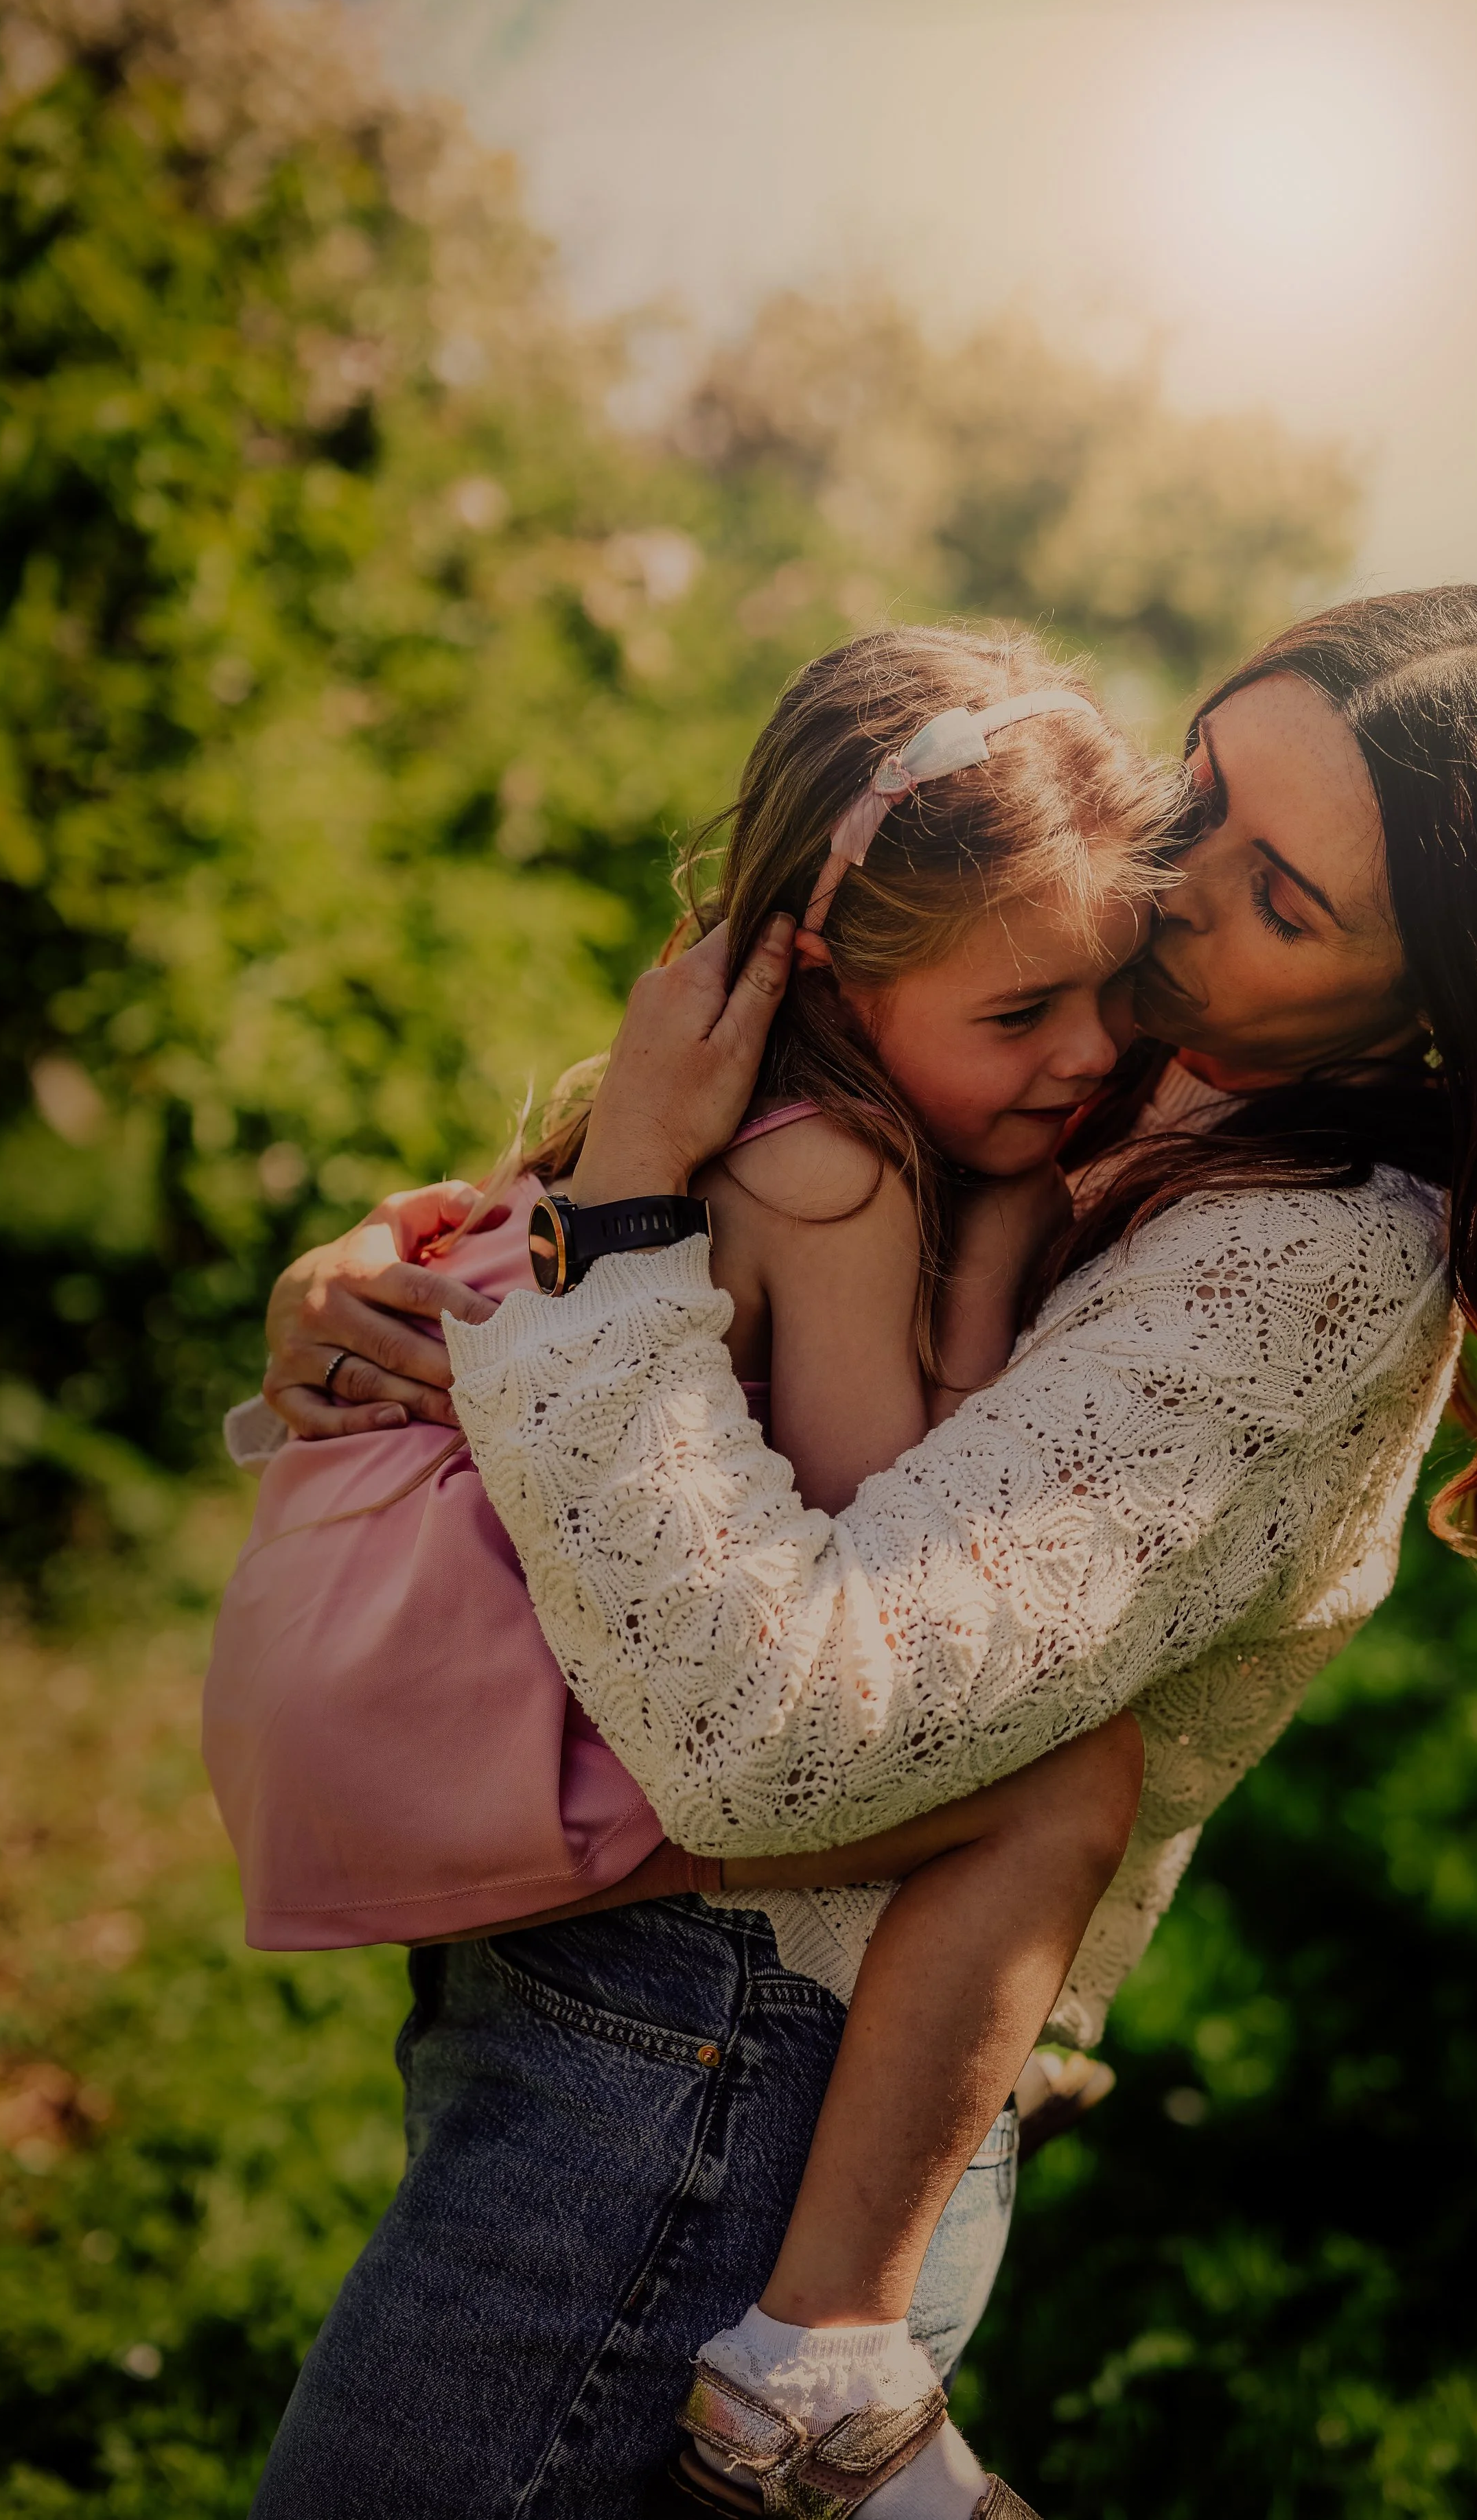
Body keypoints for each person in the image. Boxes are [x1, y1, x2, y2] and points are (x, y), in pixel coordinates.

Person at [248, 588, 1477, 2519]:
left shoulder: (1304, 1266)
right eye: (1202, 789)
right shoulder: (1110, 1036)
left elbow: (777, 1726)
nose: (1173, 887)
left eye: (1281, 899)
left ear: (1434, 1008)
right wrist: (411, 1276)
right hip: (632, 2022)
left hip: (727, 2077)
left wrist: (611, 1250)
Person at [211, 628, 1174, 2520]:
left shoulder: (721, 1107)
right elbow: (857, 1578)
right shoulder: (839, 1176)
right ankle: (924, 2178)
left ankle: (969, 2098)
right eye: (1022, 1013)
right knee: (1055, 1781)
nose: (1088, 1053)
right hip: (498, 1753)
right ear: (835, 971)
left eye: (1115, 993)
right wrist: (984, 1276)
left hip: (371, 1710)